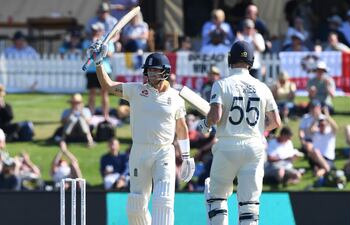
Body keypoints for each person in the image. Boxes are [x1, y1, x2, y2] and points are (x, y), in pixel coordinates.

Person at [88, 40, 195, 224]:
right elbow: (108, 85)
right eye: (149, 70)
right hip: (139, 150)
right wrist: (99, 62)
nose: (151, 74)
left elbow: (182, 128)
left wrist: (186, 156)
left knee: (163, 200)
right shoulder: (136, 90)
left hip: (164, 151)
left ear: (165, 72)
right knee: (135, 206)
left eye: (155, 70)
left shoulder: (176, 98)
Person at [198, 41, 281, 225]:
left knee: (217, 196)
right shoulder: (262, 87)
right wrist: (257, 128)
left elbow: (216, 115)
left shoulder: (221, 84)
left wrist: (204, 124)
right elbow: (276, 121)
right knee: (249, 204)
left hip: (227, 145)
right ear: (251, 61)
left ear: (230, 59)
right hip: (254, 147)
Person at [83, 22, 115, 118]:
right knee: (92, 93)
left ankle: (106, 115)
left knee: (104, 93)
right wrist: (93, 46)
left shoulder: (108, 41)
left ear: (102, 31)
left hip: (104, 69)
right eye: (93, 30)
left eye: (96, 30)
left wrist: (102, 49)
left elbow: (110, 54)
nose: (94, 32)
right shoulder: (87, 41)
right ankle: (91, 114)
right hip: (92, 70)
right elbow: (86, 54)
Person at [308, 109, 338, 177]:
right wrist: (315, 118)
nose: (322, 126)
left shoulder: (330, 133)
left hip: (328, 158)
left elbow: (335, 127)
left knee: (320, 172)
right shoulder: (316, 132)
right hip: (316, 157)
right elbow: (310, 129)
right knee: (315, 152)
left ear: (327, 124)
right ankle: (328, 169)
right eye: (320, 125)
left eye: (323, 124)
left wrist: (328, 116)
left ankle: (324, 170)